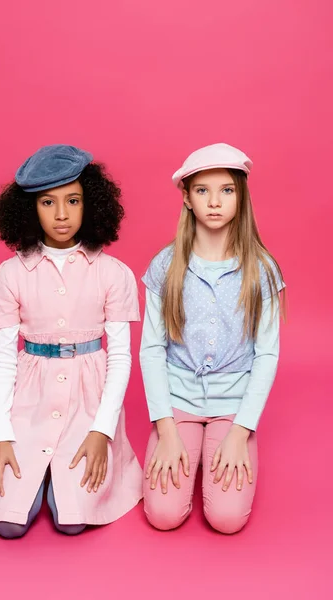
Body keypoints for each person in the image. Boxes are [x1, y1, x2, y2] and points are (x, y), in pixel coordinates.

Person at [0, 144, 142, 538]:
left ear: (91, 204)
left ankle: (58, 476)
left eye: (73, 200)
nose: (61, 214)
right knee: (7, 525)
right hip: (30, 401)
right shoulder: (9, 274)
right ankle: (42, 471)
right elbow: (3, 358)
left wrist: (101, 430)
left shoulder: (114, 272)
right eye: (47, 202)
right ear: (28, 209)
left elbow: (120, 357)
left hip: (90, 400)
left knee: (71, 523)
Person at [140, 143, 285, 534]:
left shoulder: (263, 270)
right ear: (186, 198)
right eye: (202, 190)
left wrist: (240, 432)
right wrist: (166, 431)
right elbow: (152, 350)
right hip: (178, 404)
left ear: (241, 197)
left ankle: (220, 442)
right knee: (164, 515)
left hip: (233, 408)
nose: (215, 201)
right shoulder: (165, 266)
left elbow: (266, 354)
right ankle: (185, 443)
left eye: (227, 190)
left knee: (226, 519)